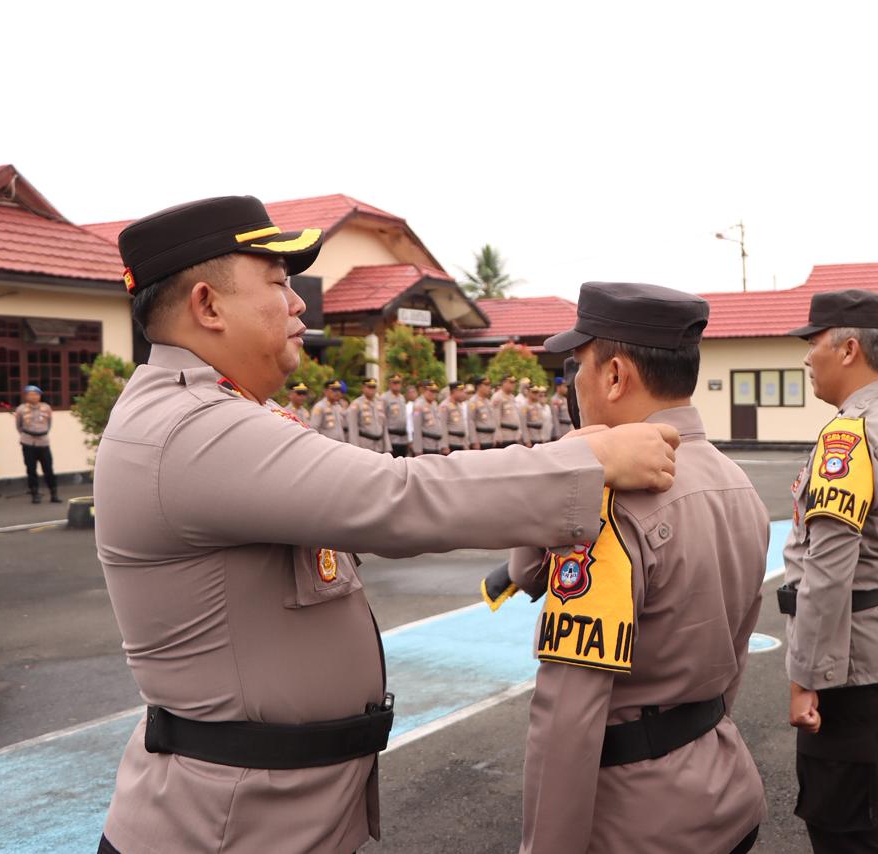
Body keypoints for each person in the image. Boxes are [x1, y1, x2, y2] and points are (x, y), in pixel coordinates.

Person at [95, 195, 680, 854]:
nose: (298, 304)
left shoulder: (217, 414)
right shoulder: (191, 428)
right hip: (227, 825)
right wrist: (589, 463)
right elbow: (395, 497)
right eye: (278, 283)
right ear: (207, 305)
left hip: (264, 809)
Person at [483, 281, 767, 854]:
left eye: (577, 367)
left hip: (637, 819)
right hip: (724, 784)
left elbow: (567, 721)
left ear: (614, 376)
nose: (573, 384)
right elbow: (733, 655)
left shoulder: (607, 509)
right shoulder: (736, 481)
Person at [780, 290, 878, 853]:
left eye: (814, 341)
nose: (806, 356)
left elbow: (827, 572)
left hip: (851, 666)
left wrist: (806, 679)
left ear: (847, 350)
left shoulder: (853, 435)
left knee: (849, 831)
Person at [15, 384, 60, 504]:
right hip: (28, 442)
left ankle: (54, 493)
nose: (34, 397)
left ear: (39, 396)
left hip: (43, 443)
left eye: (36, 394)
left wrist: (41, 432)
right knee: (31, 469)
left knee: (48, 469)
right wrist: (28, 434)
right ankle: (34, 494)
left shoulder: (46, 408)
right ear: (26, 396)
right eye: (31, 394)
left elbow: (49, 424)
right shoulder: (21, 409)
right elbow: (18, 426)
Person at [345, 378, 391, 453]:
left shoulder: (380, 403)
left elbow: (384, 427)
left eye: (373, 387)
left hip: (379, 445)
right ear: (362, 388)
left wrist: (387, 447)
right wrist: (354, 448)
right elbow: (352, 428)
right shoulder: (356, 404)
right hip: (364, 445)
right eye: (369, 387)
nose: (372, 390)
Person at [494, 375, 530, 448]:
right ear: (504, 383)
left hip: (514, 436)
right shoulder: (498, 396)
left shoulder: (512, 397)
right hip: (504, 436)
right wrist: (497, 434)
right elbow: (495, 418)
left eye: (514, 382)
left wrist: (519, 431)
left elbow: (516, 416)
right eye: (511, 382)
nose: (513, 384)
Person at [410, 380, 443, 455]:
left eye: (435, 391)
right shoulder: (418, 405)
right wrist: (418, 449)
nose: (433, 394)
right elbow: (416, 429)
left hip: (437, 445)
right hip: (426, 446)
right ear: (423, 390)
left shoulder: (434, 404)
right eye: (431, 391)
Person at [380, 375, 410, 457]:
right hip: (391, 438)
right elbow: (382, 420)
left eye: (398, 383)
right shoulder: (384, 398)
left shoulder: (402, 397)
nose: (397, 385)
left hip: (403, 438)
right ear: (389, 384)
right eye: (394, 383)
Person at [437, 382, 470, 453]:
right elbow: (442, 426)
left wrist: (466, 443)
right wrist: (444, 445)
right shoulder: (445, 405)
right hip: (451, 444)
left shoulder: (458, 405)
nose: (464, 394)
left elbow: (462, 425)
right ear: (454, 391)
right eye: (461, 391)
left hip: (460, 443)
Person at [467, 375, 497, 450]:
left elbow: (493, 420)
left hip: (490, 439)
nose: (489, 387)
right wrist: (474, 441)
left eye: (489, 385)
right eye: (486, 385)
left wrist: (495, 436)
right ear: (479, 386)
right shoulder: (473, 401)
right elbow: (471, 421)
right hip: (481, 440)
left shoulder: (488, 401)